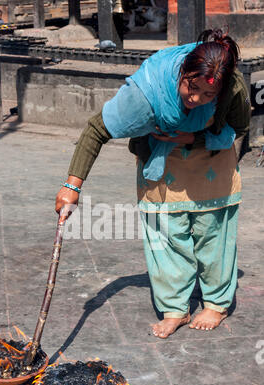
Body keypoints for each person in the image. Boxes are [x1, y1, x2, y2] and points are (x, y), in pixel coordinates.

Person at [55, 29, 251, 339]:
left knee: (213, 235)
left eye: (208, 95)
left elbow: (239, 127)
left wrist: (195, 137)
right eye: (191, 87)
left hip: (212, 157)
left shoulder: (233, 86)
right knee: (166, 235)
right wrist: (72, 186)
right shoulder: (147, 93)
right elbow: (96, 129)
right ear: (182, 72)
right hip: (164, 160)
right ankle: (175, 308)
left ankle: (216, 303)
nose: (196, 99)